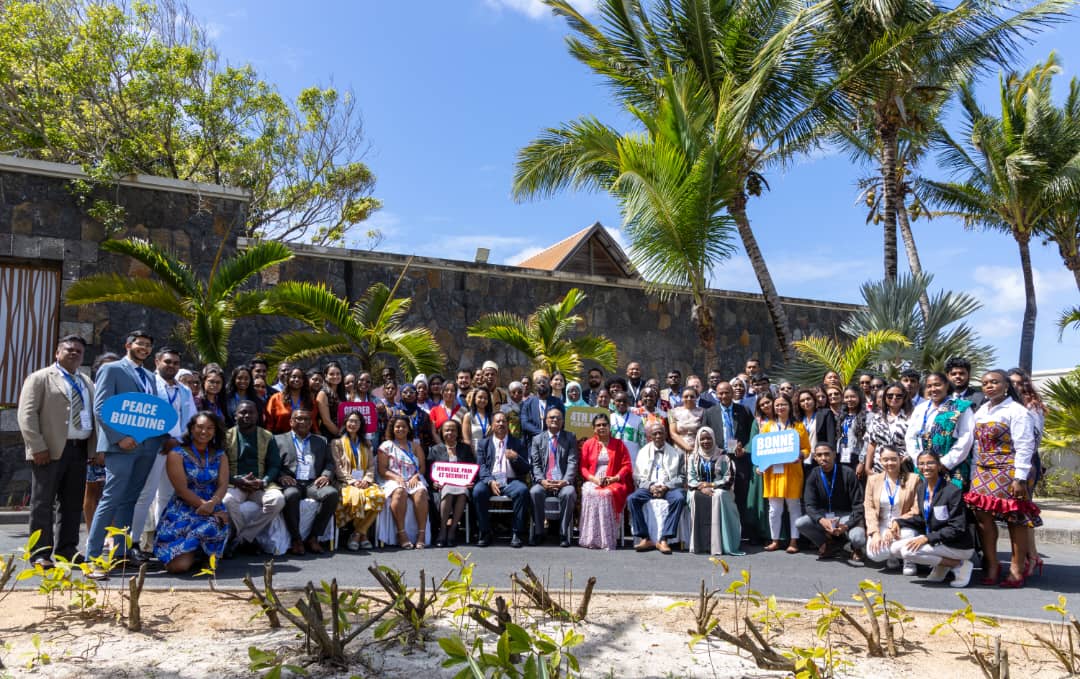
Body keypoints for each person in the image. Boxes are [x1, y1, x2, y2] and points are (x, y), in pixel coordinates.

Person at [87, 330, 170, 577]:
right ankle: (92, 558)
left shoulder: (149, 376)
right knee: (111, 499)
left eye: (148, 345)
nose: (144, 348)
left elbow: (152, 412)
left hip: (146, 447)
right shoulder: (112, 370)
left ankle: (120, 555)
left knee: (130, 501)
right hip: (120, 447)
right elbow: (100, 408)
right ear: (128, 345)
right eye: (140, 344)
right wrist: (119, 438)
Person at [18, 335, 96, 567]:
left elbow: (92, 417)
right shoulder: (41, 378)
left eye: (79, 351)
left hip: (79, 450)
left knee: (72, 503)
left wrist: (94, 449)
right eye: (69, 349)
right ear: (57, 353)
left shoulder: (85, 381)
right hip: (49, 451)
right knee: (43, 503)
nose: (74, 353)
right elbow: (27, 415)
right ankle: (40, 553)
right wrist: (37, 446)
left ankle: (67, 550)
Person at [965, 369, 1039, 588]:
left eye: (994, 382)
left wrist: (1020, 478)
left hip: (1008, 470)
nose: (989, 386)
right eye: (985, 383)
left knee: (1014, 519)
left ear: (1006, 385)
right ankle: (992, 564)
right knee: (982, 518)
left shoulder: (1017, 411)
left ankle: (1016, 569)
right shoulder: (980, 412)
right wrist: (973, 475)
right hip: (982, 470)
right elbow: (976, 446)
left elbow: (1025, 445)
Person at [132, 347, 199, 553]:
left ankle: (163, 541)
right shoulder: (147, 385)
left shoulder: (184, 390)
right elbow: (142, 415)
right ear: (157, 362)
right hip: (153, 447)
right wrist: (163, 438)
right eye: (167, 362)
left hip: (176, 450)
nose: (171, 366)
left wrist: (179, 441)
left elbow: (191, 421)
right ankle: (134, 542)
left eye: (175, 363)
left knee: (168, 496)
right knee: (145, 495)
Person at [153, 412, 230, 573]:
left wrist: (213, 504)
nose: (204, 431)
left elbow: (223, 484)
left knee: (214, 523)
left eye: (210, 428)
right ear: (191, 428)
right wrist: (207, 507)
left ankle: (203, 553)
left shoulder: (220, 455)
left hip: (212, 509)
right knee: (178, 567)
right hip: (184, 509)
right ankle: (195, 553)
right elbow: (181, 490)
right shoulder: (177, 454)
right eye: (200, 427)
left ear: (215, 431)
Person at [890, 449, 975, 588]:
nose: (925, 467)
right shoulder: (922, 489)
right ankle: (942, 566)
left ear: (939, 466)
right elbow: (923, 519)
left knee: (907, 551)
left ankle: (960, 564)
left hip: (957, 545)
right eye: (921, 464)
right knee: (894, 548)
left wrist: (927, 538)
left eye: (930, 463)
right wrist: (898, 521)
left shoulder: (952, 491)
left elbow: (957, 527)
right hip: (938, 542)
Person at [223, 400, 285, 551]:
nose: (247, 415)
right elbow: (219, 467)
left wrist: (264, 482)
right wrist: (236, 481)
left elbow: (275, 465)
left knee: (277, 500)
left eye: (251, 412)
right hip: (235, 483)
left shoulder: (267, 436)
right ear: (235, 415)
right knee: (227, 500)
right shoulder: (225, 436)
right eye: (243, 412)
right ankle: (246, 539)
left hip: (260, 484)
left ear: (257, 416)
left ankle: (242, 538)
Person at [277, 409, 339, 556]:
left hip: (313, 482)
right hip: (292, 481)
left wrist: (326, 475)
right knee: (291, 495)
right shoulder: (278, 440)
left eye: (306, 419)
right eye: (299, 419)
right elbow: (272, 464)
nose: (303, 422)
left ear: (311, 423)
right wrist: (280, 476)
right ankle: (296, 539)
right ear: (291, 422)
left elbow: (330, 463)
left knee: (332, 494)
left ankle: (314, 537)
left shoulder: (321, 440)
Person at [702, 381, 757, 543]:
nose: (724, 396)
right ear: (716, 394)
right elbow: (705, 435)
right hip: (719, 459)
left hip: (740, 459)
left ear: (732, 393)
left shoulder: (744, 410)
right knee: (722, 494)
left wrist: (745, 449)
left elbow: (752, 435)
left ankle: (743, 532)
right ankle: (723, 532)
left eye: (727, 392)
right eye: (720, 393)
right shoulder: (710, 412)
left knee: (741, 494)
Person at [797, 443, 867, 562]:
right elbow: (809, 505)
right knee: (800, 523)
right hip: (825, 515)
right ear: (815, 457)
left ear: (834, 455)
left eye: (827, 454)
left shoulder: (848, 473)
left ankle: (855, 548)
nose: (823, 458)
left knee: (858, 538)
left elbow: (859, 505)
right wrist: (821, 520)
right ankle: (829, 545)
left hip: (846, 515)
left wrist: (846, 526)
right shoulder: (813, 475)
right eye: (819, 455)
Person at [757, 394, 808, 554]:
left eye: (783, 404)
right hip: (773, 473)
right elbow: (762, 450)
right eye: (777, 405)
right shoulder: (767, 427)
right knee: (774, 509)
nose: (780, 408)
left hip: (792, 472)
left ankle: (794, 541)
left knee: (793, 508)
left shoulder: (798, 426)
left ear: (789, 406)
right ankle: (775, 541)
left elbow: (807, 449)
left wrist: (800, 455)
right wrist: (760, 465)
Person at [904, 372, 975, 487]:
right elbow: (910, 437)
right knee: (925, 501)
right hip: (923, 468)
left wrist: (944, 463)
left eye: (937, 385)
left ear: (947, 385)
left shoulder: (961, 407)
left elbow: (966, 439)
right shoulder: (920, 409)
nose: (933, 389)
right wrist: (920, 460)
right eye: (929, 386)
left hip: (950, 469)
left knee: (948, 503)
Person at [1008, 367, 1047, 577]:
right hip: (1006, 461)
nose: (1015, 385)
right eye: (1011, 382)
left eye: (1019, 382)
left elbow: (1033, 438)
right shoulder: (1004, 405)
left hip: (1026, 462)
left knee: (1023, 510)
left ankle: (1030, 557)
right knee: (1014, 511)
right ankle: (1028, 556)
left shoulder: (1031, 406)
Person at [628, 421, 687, 555]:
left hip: (669, 487)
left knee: (679, 498)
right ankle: (645, 537)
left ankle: (664, 538)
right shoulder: (642, 452)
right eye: (655, 433)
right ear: (650, 436)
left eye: (661, 432)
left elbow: (682, 478)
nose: (658, 436)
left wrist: (666, 486)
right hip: (649, 487)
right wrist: (650, 486)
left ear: (666, 434)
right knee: (632, 499)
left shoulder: (677, 453)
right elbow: (637, 476)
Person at [473, 412, 530, 548]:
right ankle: (485, 532)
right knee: (478, 492)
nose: (501, 424)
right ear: (492, 425)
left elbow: (526, 469)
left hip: (510, 481)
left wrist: (516, 458)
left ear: (508, 425)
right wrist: (490, 481)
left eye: (503, 421)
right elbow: (481, 466)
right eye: (497, 421)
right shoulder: (483, 444)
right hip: (490, 481)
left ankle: (516, 533)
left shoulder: (518, 443)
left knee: (522, 491)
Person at [332, 411, 385, 551]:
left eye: (356, 421)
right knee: (357, 496)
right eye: (350, 421)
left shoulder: (366, 443)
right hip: (345, 482)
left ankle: (357, 534)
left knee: (378, 495)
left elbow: (371, 466)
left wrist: (366, 480)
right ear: (345, 423)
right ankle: (363, 535)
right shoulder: (337, 443)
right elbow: (338, 467)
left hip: (364, 482)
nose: (353, 424)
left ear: (361, 425)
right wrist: (352, 482)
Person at [579, 413, 633, 551]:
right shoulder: (588, 444)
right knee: (589, 491)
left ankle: (607, 538)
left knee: (606, 494)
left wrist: (614, 478)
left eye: (604, 424)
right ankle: (591, 538)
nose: (601, 427)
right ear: (593, 428)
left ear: (609, 427)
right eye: (598, 425)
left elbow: (626, 465)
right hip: (594, 479)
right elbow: (583, 467)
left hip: (614, 480)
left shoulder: (619, 444)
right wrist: (595, 479)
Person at [687, 427, 743, 556]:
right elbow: (690, 479)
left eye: (708, 438)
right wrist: (702, 487)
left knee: (718, 495)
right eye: (702, 439)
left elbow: (729, 478)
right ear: (698, 441)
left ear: (713, 438)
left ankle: (719, 544)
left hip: (720, 489)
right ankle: (699, 544)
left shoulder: (723, 456)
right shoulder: (693, 457)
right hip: (699, 488)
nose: (705, 441)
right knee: (695, 495)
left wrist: (712, 485)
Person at [863, 445, 919, 574]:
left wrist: (896, 524)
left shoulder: (913, 479)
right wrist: (875, 533)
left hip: (904, 524)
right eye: (885, 460)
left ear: (900, 459)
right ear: (880, 461)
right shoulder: (873, 480)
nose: (890, 463)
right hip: (882, 524)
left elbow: (915, 509)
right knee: (874, 553)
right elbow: (869, 508)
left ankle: (908, 558)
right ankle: (893, 555)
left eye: (893, 459)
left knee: (907, 535)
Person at [378, 414, 430, 549]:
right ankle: (402, 533)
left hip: (413, 477)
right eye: (397, 427)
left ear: (408, 429)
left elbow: (423, 467)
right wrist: (397, 478)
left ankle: (421, 534)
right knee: (399, 491)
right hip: (392, 479)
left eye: (403, 427)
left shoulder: (415, 446)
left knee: (421, 492)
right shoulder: (386, 446)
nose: (400, 429)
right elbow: (382, 470)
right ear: (392, 429)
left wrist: (416, 476)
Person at [529, 408, 578, 547]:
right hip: (545, 480)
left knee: (569, 493)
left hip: (563, 481)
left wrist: (566, 481)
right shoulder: (537, 439)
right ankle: (539, 532)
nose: (555, 420)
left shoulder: (570, 437)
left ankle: (563, 534)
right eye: (551, 417)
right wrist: (541, 480)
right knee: (534, 492)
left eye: (558, 418)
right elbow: (536, 464)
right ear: (546, 421)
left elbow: (572, 461)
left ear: (562, 421)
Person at [83, 352, 118, 532]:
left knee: (112, 495)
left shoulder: (121, 392)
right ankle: (92, 534)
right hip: (96, 450)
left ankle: (110, 534)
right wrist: (98, 450)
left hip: (118, 450)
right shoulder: (91, 390)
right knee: (93, 492)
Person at [426, 418, 475, 548]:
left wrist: (471, 481)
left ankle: (452, 530)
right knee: (447, 490)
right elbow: (429, 471)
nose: (450, 432)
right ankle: (442, 530)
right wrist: (433, 482)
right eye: (447, 430)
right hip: (443, 486)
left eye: (453, 430)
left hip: (462, 485)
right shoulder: (435, 449)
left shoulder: (465, 448)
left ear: (458, 433)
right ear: (441, 432)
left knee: (463, 492)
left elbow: (472, 467)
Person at [864, 382, 912, 473]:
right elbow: (872, 444)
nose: (894, 398)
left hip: (903, 467)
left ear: (904, 398)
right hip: (880, 467)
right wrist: (867, 468)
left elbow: (916, 442)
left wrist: (907, 456)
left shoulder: (911, 417)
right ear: (885, 398)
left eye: (898, 396)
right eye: (890, 396)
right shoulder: (877, 417)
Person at [264, 367, 314, 435]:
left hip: (304, 438)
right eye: (293, 377)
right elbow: (269, 421)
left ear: (304, 381)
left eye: (300, 377)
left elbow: (314, 421)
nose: (296, 379)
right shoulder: (275, 398)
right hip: (280, 438)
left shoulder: (309, 399)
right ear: (288, 379)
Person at [519, 376, 564, 450]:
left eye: (544, 382)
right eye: (539, 382)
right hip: (533, 443)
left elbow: (562, 421)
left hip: (553, 443)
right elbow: (525, 424)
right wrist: (543, 434)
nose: (542, 384)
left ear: (549, 384)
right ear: (534, 386)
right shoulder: (527, 403)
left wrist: (550, 435)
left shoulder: (557, 402)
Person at [796, 387, 835, 467]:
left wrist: (830, 459)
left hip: (820, 459)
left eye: (808, 399)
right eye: (802, 401)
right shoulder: (797, 419)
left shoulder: (825, 414)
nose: (806, 402)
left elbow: (831, 439)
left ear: (814, 399)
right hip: (801, 460)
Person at [837, 387, 869, 477]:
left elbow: (867, 442)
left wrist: (862, 462)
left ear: (859, 397)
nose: (849, 400)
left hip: (857, 457)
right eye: (846, 397)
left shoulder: (867, 416)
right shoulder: (842, 416)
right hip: (842, 455)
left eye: (853, 397)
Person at [609, 391, 646, 460]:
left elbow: (643, 442)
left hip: (633, 458)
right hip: (613, 458)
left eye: (624, 401)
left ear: (628, 402)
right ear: (614, 402)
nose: (622, 403)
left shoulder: (638, 419)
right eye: (619, 401)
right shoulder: (609, 418)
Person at [668, 386, 704, 454]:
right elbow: (672, 433)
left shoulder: (703, 412)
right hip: (679, 449)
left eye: (692, 396)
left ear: (696, 398)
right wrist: (687, 447)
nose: (689, 399)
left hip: (698, 448)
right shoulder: (671, 412)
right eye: (686, 396)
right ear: (681, 398)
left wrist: (695, 448)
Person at [307, 369, 340, 437]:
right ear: (308, 380)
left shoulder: (315, 397)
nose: (317, 382)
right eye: (314, 379)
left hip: (315, 434)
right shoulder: (303, 397)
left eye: (320, 381)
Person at [461, 386, 495, 451]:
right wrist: (473, 455)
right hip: (474, 452)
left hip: (490, 452)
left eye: (485, 398)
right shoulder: (468, 416)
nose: (483, 400)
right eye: (480, 397)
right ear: (474, 398)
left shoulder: (492, 417)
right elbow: (466, 440)